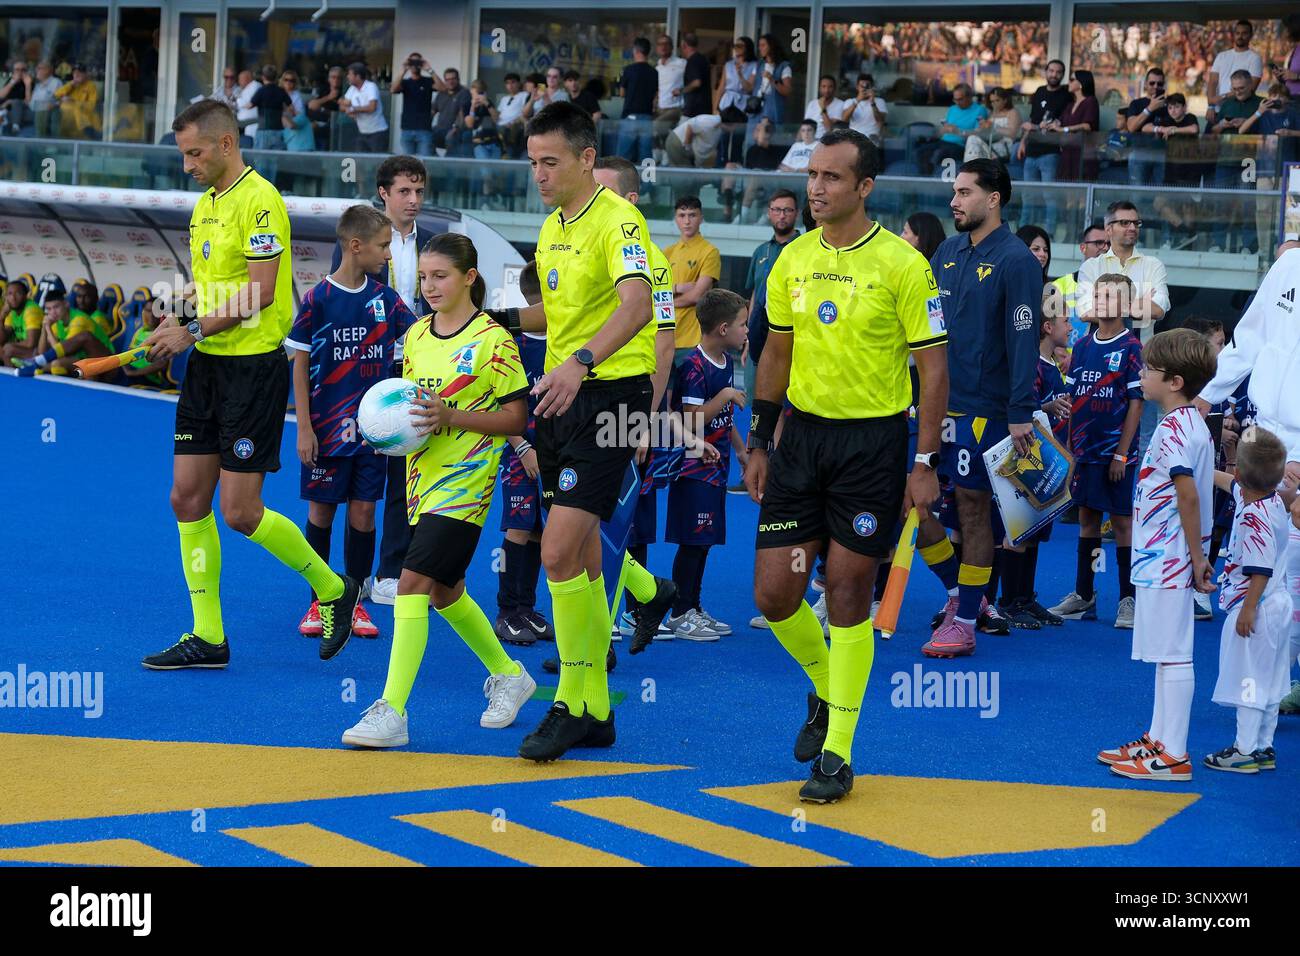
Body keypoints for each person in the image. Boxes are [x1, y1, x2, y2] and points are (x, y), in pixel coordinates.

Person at [746, 128, 948, 802]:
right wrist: (758, 438)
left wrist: (924, 460)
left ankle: (837, 753)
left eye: (833, 177)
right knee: (774, 594)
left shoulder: (903, 265)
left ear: (865, 187)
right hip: (801, 443)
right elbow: (775, 353)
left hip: (874, 446)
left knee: (847, 589)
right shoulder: (791, 259)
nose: (817, 188)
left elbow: (933, 368)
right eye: (813, 175)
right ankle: (826, 686)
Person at [139, 99, 361, 670]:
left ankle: (334, 588)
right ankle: (208, 636)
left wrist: (190, 327)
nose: (187, 163)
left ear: (226, 145)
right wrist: (174, 308)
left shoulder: (261, 201)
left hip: (253, 370)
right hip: (209, 366)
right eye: (182, 153)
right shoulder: (204, 205)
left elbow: (260, 291)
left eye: (195, 152)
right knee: (186, 498)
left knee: (240, 512)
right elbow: (211, 284)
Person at [341, 233, 536, 748]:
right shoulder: (417, 335)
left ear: (470, 277)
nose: (429, 286)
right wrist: (385, 428)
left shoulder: (495, 341)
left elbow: (516, 416)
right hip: (418, 479)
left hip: (466, 483)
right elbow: (406, 405)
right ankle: (510, 675)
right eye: (424, 276)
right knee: (446, 591)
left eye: (441, 276)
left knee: (410, 585)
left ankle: (393, 711)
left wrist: (451, 416)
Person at [518, 101, 655, 760]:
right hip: (560, 398)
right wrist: (493, 317)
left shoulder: (619, 219)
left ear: (585, 159)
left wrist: (580, 362)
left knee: (556, 553)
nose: (539, 174)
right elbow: (558, 312)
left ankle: (572, 701)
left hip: (606, 396)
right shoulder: (552, 226)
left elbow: (635, 307)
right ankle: (597, 710)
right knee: (585, 555)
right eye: (533, 162)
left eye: (550, 162)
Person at [922, 159, 1043, 659]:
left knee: (973, 512)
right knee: (911, 501)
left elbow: (1024, 340)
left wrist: (1020, 410)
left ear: (993, 199)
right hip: (934, 405)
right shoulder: (946, 251)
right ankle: (960, 593)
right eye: (954, 191)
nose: (955, 201)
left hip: (985, 411)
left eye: (965, 192)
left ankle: (967, 620)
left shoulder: (1017, 260)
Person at [289, 204, 416, 642]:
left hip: (373, 434)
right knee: (321, 512)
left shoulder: (388, 301)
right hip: (325, 429)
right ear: (355, 246)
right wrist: (303, 427)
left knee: (363, 514)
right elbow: (300, 367)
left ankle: (356, 601)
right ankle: (320, 601)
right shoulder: (317, 300)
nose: (388, 255)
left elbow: (422, 337)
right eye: (383, 246)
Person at [1101, 329, 1216, 782]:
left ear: (1175, 381)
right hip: (1160, 555)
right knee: (1166, 654)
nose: (1141, 374)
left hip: (1169, 556)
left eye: (1149, 369)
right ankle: (1159, 738)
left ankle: (1176, 752)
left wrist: (1196, 556)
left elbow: (1187, 495)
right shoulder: (1185, 425)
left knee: (1174, 654)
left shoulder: (1175, 429)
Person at [1195, 245, 1300, 717]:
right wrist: (1206, 396)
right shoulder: (1289, 265)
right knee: (1261, 557)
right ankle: (1267, 698)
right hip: (1264, 435)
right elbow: (1249, 340)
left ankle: (1264, 707)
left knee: (1292, 576)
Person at [332, 155, 436, 607]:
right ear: (383, 194)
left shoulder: (435, 242)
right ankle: (342, 582)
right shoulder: (361, 243)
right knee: (366, 474)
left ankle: (394, 571)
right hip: (372, 368)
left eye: (419, 192)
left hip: (420, 364)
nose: (413, 201)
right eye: (404, 192)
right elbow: (348, 299)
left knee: (413, 470)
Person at [1048, 274, 1145, 628]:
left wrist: (1121, 454)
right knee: (1087, 520)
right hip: (1084, 452)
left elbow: (1136, 404)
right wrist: (1070, 451)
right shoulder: (1084, 346)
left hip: (1115, 454)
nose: (1102, 300)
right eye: (1099, 294)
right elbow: (1074, 402)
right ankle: (1084, 595)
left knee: (1121, 523)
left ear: (1125, 305)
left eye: (1110, 295)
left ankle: (1128, 599)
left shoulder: (1132, 348)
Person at [1205, 426, 1291, 773]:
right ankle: (1263, 747)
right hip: (1279, 606)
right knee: (1270, 680)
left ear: (1241, 472)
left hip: (1260, 608)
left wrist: (1248, 610)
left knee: (1250, 680)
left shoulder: (1255, 517)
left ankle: (1243, 749)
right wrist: (1204, 470)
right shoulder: (1267, 498)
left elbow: (1260, 569)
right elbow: (1230, 485)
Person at [666, 289, 748, 639]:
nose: (748, 331)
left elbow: (725, 419)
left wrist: (742, 451)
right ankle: (679, 612)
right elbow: (691, 420)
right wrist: (725, 395)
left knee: (706, 541)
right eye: (744, 324)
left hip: (718, 468)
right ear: (724, 328)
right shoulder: (694, 366)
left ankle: (694, 606)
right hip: (692, 469)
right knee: (692, 541)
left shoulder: (726, 362)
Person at [998, 300, 1072, 624]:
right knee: (1019, 531)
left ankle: (1025, 598)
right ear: (1047, 327)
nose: (1070, 327)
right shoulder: (1030, 364)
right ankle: (1009, 601)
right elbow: (1021, 409)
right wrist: (1048, 406)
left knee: (1036, 531)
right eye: (1065, 321)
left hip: (1048, 459)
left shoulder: (1052, 364)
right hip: (1028, 459)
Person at [1077, 200, 1169, 456]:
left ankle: (1136, 497)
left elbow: (1160, 308)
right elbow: (1085, 311)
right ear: (1109, 229)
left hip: (1143, 363)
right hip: (1097, 363)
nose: (1132, 227)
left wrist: (1109, 306)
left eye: (1136, 223)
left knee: (1145, 437)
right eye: (1124, 222)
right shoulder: (1091, 266)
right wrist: (1137, 304)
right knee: (1094, 429)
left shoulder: (1153, 265)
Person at [493, 261, 553, 647]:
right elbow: (502, 405)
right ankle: (506, 611)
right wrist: (524, 446)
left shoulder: (567, 344)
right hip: (520, 452)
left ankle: (527, 607)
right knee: (518, 526)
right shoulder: (514, 344)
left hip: (553, 453)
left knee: (536, 530)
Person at [742, 189, 800, 413]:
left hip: (789, 335)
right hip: (758, 335)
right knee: (753, 399)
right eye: (777, 210)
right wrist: (748, 337)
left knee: (784, 402)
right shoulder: (761, 251)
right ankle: (754, 448)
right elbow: (756, 293)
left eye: (787, 210)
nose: (782, 215)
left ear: (796, 214)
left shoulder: (803, 248)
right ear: (769, 213)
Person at [14, 274, 111, 378]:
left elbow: (63, 353)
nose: (53, 312)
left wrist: (48, 330)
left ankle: (36, 368)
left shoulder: (79, 319)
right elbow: (42, 352)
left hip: (108, 363)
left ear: (66, 304)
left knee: (58, 363)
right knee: (54, 363)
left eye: (56, 307)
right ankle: (36, 367)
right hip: (86, 361)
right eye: (49, 309)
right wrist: (45, 329)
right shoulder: (57, 321)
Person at [665, 195, 721, 364]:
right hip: (664, 334)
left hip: (692, 338)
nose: (687, 221)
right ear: (675, 219)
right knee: (660, 390)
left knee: (689, 390)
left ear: (701, 218)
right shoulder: (667, 252)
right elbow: (653, 290)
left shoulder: (710, 252)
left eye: (692, 215)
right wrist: (677, 288)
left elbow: (697, 295)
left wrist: (663, 302)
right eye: (682, 216)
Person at [1018, 60, 1070, 236]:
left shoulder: (1066, 95)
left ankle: (1050, 234)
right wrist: (1023, 142)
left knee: (1050, 196)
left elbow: (1059, 123)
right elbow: (1033, 120)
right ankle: (1024, 233)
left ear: (1062, 75)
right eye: (1052, 70)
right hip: (1032, 150)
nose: (1054, 74)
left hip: (1051, 151)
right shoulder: (1039, 91)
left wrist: (1037, 127)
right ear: (1046, 72)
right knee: (1028, 195)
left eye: (1058, 72)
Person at [1051, 223, 1109, 350]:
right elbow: (1047, 329)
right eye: (1099, 243)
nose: (1105, 248)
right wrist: (1059, 352)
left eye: (1108, 244)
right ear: (1083, 248)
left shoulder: (1118, 288)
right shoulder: (1059, 286)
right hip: (1064, 366)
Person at [916, 83, 987, 177]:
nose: (957, 102)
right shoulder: (952, 109)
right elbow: (942, 131)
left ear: (969, 97)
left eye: (960, 99)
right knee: (921, 151)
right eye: (955, 99)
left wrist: (958, 131)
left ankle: (933, 179)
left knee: (939, 153)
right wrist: (942, 131)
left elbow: (979, 133)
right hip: (943, 142)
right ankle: (924, 179)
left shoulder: (979, 110)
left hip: (961, 145)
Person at [1206, 19, 1263, 126]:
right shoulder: (1221, 56)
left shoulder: (1255, 58)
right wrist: (1211, 106)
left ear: (1250, 35)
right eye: (1237, 33)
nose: (1240, 36)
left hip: (1236, 111)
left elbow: (1250, 89)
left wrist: (1220, 98)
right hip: (1216, 111)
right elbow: (1212, 82)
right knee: (1207, 141)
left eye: (1244, 33)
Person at [1047, 69, 1098, 181]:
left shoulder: (1090, 101)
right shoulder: (1070, 104)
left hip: (1083, 154)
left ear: (1080, 83)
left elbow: (1087, 126)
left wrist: (1063, 129)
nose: (1068, 82)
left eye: (1071, 79)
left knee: (1082, 193)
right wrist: (1048, 124)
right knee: (1068, 192)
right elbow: (1059, 122)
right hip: (1067, 152)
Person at [715, 37, 759, 167]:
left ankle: (734, 169)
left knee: (737, 139)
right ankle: (720, 167)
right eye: (735, 45)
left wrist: (740, 74)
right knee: (722, 138)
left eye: (740, 46)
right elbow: (721, 87)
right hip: (727, 102)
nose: (737, 48)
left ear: (748, 48)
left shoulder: (754, 65)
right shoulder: (729, 64)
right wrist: (715, 107)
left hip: (742, 103)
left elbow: (749, 88)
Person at [751, 33, 793, 145]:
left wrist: (772, 79)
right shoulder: (759, 64)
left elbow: (787, 91)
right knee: (752, 139)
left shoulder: (784, 66)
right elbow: (749, 87)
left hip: (773, 108)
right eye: (759, 45)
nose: (760, 48)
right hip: (757, 108)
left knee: (771, 141)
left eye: (763, 45)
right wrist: (739, 75)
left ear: (771, 46)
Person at [391, 53, 434, 156]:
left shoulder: (428, 81)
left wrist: (429, 69)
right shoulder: (405, 82)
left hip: (424, 128)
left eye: (417, 62)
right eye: (412, 62)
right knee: (408, 163)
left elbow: (443, 88)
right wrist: (404, 70)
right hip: (407, 128)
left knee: (424, 162)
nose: (415, 65)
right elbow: (393, 90)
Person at [342, 62, 388, 153]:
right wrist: (348, 110)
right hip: (362, 132)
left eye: (350, 74)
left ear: (358, 76)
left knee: (376, 162)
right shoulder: (352, 89)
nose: (347, 77)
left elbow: (372, 107)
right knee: (361, 162)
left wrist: (354, 109)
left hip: (377, 132)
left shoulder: (371, 87)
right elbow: (345, 103)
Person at [652, 35, 686, 150]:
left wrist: (682, 90)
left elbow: (691, 82)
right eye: (660, 44)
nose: (663, 47)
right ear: (657, 48)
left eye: (666, 44)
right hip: (660, 108)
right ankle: (664, 154)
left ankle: (667, 152)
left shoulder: (681, 63)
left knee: (656, 126)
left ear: (672, 47)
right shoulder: (657, 67)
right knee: (653, 131)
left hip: (675, 108)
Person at [0, 275, 44, 365]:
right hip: (22, 350)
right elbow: (1, 338)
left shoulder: (31, 310)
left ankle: (12, 375)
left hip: (39, 352)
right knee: (6, 348)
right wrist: (2, 317)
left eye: (18, 293)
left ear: (26, 296)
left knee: (8, 349)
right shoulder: (10, 310)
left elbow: (31, 343)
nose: (13, 298)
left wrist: (10, 345)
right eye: (10, 294)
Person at [966, 87, 1018, 160]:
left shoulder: (1012, 112)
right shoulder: (992, 113)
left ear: (1005, 100)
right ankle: (970, 167)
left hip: (1005, 145)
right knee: (972, 138)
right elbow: (988, 132)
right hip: (992, 143)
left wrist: (993, 126)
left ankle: (971, 167)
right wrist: (982, 128)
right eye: (992, 101)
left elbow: (1012, 133)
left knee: (975, 143)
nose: (994, 104)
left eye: (997, 100)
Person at [250, 65, 292, 151]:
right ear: (276, 77)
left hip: (263, 130)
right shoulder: (281, 91)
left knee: (260, 160)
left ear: (263, 77)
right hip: (278, 130)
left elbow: (250, 105)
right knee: (276, 160)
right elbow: (290, 106)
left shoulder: (261, 90)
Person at [431, 67, 471, 155]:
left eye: (453, 79)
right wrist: (425, 127)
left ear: (458, 79)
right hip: (439, 129)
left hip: (456, 130)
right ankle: (436, 164)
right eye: (447, 79)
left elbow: (462, 114)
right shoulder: (441, 93)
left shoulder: (464, 93)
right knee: (426, 138)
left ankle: (448, 166)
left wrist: (455, 128)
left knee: (451, 139)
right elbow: (433, 111)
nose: (450, 82)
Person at [54, 64, 99, 139]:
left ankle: (88, 132)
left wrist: (74, 101)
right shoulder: (71, 84)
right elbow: (56, 95)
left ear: (85, 74)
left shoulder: (91, 86)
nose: (76, 75)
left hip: (84, 119)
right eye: (74, 73)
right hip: (67, 120)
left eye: (79, 72)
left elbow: (92, 105)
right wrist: (70, 85)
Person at [841, 73, 887, 145]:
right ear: (857, 87)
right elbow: (844, 119)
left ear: (872, 87)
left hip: (872, 139)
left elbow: (881, 120)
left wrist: (872, 102)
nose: (864, 88)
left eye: (867, 86)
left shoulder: (879, 101)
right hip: (854, 139)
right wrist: (857, 101)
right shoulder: (849, 101)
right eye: (862, 86)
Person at [496, 73, 529, 159]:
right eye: (507, 83)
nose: (510, 85)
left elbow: (525, 112)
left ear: (518, 83)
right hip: (500, 126)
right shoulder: (504, 99)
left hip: (514, 127)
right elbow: (499, 115)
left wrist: (514, 122)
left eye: (513, 82)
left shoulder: (524, 95)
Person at [804, 74, 846, 141]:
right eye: (823, 86)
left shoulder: (841, 104)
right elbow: (804, 126)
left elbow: (829, 129)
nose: (826, 90)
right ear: (819, 88)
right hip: (810, 141)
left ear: (835, 88)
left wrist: (823, 108)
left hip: (829, 141)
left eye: (830, 87)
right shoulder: (812, 104)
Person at [680, 33, 710, 120]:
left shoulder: (693, 61)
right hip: (704, 109)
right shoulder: (702, 59)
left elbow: (697, 83)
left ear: (684, 45)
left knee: (680, 133)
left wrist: (681, 90)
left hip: (693, 110)